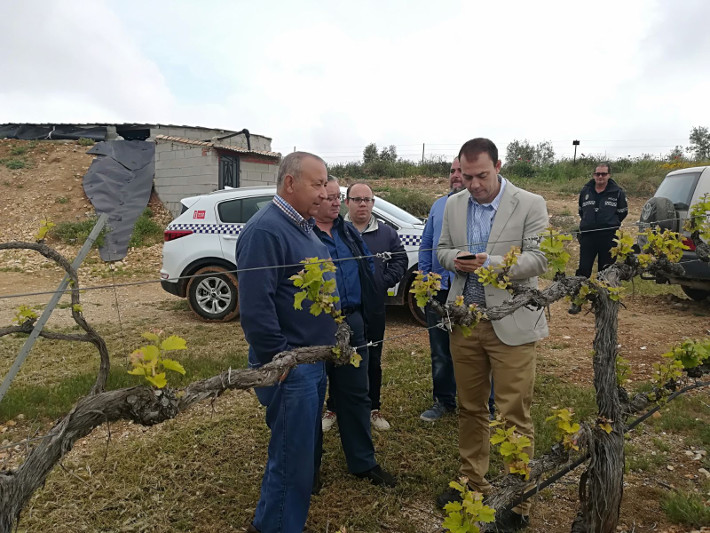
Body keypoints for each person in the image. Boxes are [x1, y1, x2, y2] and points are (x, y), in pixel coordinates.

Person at [436, 138, 549, 532]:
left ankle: (518, 500)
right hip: (465, 321)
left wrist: (493, 264)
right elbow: (442, 250)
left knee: (513, 412)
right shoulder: (453, 205)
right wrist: (456, 260)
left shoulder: (530, 203)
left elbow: (540, 258)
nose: (473, 184)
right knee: (470, 407)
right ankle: (473, 482)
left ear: (498, 166)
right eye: (466, 176)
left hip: (512, 321)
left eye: (481, 175)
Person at [236, 152, 334, 533]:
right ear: (290, 183)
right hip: (291, 366)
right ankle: (275, 527)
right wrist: (281, 360)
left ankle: (277, 522)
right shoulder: (265, 231)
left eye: (325, 183)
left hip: (312, 360)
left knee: (299, 452)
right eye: (317, 183)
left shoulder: (304, 227)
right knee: (291, 457)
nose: (324, 192)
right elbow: (256, 310)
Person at [313, 176, 397, 487]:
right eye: (330, 197)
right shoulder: (302, 234)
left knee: (357, 394)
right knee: (311, 396)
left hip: (353, 322)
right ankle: (308, 469)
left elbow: (368, 269)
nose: (336, 202)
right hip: (315, 326)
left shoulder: (346, 232)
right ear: (315, 198)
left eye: (338, 197)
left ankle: (363, 462)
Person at [418, 158, 496, 422]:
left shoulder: (483, 208)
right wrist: (426, 279)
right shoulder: (439, 205)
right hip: (440, 288)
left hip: (473, 290)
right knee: (440, 350)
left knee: (481, 349)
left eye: (460, 171)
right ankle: (444, 400)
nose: (455, 175)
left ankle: (487, 403)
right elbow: (427, 244)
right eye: (452, 171)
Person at [344, 182, 408, 431]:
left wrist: (383, 281)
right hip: (343, 308)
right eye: (357, 199)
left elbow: (400, 259)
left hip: (374, 307)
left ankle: (373, 408)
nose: (362, 204)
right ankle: (335, 407)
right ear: (347, 202)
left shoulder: (387, 233)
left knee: (373, 357)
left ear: (373, 203)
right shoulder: (337, 230)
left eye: (367, 199)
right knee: (339, 357)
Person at [569, 162, 628, 314]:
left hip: (608, 237)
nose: (600, 176)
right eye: (597, 174)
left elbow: (622, 212)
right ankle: (577, 301)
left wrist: (610, 223)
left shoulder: (617, 192)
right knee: (583, 269)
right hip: (588, 236)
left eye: (603, 174)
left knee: (606, 271)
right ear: (594, 175)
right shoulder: (586, 190)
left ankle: (603, 304)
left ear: (609, 175)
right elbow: (581, 211)